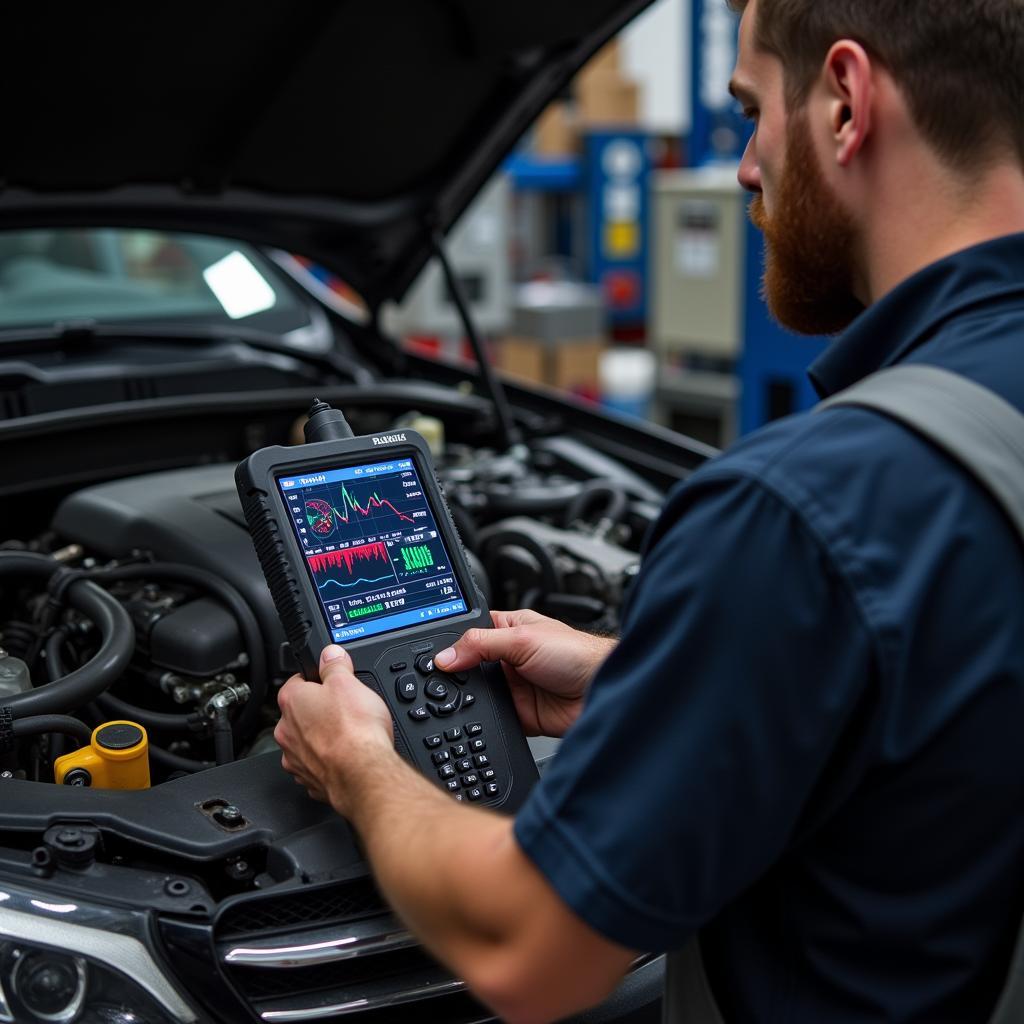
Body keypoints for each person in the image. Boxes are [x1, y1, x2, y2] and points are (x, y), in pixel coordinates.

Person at [273, 0, 1024, 1019]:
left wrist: (357, 763)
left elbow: (528, 946)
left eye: (754, 111)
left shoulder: (805, 508)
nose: (747, 166)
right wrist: (654, 677)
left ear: (845, 104)